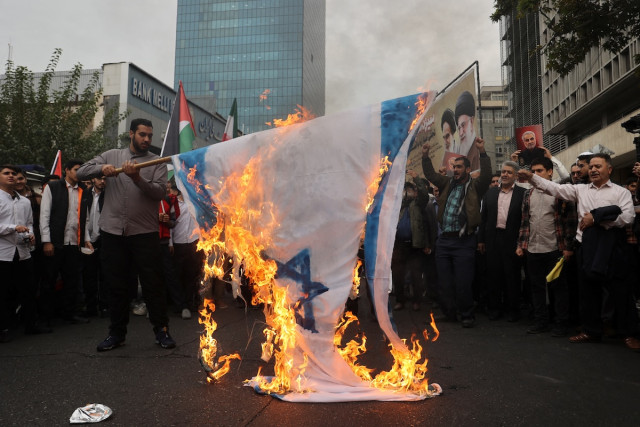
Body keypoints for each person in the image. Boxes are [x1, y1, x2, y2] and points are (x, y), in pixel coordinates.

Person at [517, 154, 640, 351]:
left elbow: (627, 217)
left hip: (613, 246)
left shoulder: (621, 192)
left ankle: (629, 334)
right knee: (588, 293)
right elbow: (554, 188)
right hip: (586, 247)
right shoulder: (580, 190)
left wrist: (596, 219)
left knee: (620, 292)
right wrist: (532, 177)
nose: (593, 170)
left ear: (609, 169)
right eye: (591, 167)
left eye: (598, 166)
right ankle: (591, 331)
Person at [77, 118, 176, 351]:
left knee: (153, 284)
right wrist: (101, 169)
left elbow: (159, 193)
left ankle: (161, 331)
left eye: (150, 135)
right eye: (142, 134)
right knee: (116, 285)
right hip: (112, 232)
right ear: (131, 134)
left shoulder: (157, 162)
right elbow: (81, 171)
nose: (147, 139)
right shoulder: (112, 155)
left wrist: (137, 178)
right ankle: (116, 334)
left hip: (145, 233)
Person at [421, 136, 492, 327]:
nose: (456, 170)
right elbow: (430, 175)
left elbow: (486, 175)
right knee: (444, 282)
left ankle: (467, 314)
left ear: (468, 169)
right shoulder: (447, 183)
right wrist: (425, 156)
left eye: (460, 167)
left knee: (463, 282)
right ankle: (449, 313)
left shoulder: (475, 186)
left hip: (464, 242)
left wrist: (482, 152)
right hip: (444, 241)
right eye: (454, 167)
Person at [516, 157, 577, 336]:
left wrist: (568, 247)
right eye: (533, 171)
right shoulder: (527, 194)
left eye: (539, 171)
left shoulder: (560, 192)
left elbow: (570, 221)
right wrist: (521, 244)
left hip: (555, 248)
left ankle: (561, 323)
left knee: (559, 288)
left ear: (550, 172)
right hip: (533, 248)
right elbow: (525, 221)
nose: (535, 175)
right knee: (536, 287)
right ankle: (541, 321)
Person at [0, 165, 49, 342]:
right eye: (6, 173)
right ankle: (3, 328)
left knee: (28, 289)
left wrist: (31, 235)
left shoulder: (25, 201)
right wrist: (13, 227)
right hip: (3, 253)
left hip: (23, 251)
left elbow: (29, 223)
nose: (11, 176)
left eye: (14, 173)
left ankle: (31, 325)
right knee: (3, 292)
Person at [40, 159, 89, 325]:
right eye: (76, 169)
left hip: (74, 243)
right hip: (55, 242)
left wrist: (86, 240)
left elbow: (85, 218)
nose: (79, 173)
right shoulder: (53, 187)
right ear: (67, 170)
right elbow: (44, 215)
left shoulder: (83, 189)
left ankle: (69, 313)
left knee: (71, 280)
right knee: (49, 280)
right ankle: (45, 317)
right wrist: (46, 241)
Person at [477, 161, 526, 322]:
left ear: (516, 176)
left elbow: (525, 220)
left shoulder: (522, 194)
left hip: (512, 239)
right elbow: (483, 219)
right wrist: (481, 240)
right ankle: (495, 308)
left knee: (512, 276)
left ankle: (513, 310)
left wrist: (522, 243)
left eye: (509, 172)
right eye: (503, 171)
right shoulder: (490, 193)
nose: (505, 174)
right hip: (492, 239)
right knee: (493, 275)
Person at [391, 173, 429, 311]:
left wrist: (416, 178)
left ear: (415, 192)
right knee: (398, 274)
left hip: (414, 245)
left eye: (410, 190)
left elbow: (424, 194)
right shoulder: (398, 207)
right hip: (399, 245)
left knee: (416, 275)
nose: (407, 193)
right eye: (405, 190)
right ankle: (400, 300)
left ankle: (416, 301)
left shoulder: (418, 204)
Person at [170, 183, 204, 319]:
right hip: (178, 243)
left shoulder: (196, 202)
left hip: (194, 243)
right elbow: (170, 225)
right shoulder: (174, 203)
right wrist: (170, 243)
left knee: (192, 274)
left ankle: (190, 303)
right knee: (178, 275)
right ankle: (180, 304)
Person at [82, 176, 107, 317]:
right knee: (89, 275)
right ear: (93, 179)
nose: (102, 181)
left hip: (104, 239)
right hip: (86, 240)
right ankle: (90, 306)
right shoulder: (84, 193)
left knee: (105, 274)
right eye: (99, 178)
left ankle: (104, 305)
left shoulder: (109, 195)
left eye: (105, 179)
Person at [454, 91, 481, 176]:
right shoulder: (461, 152)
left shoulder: (477, 150)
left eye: (463, 125)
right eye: (459, 128)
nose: (461, 133)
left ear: (472, 121)